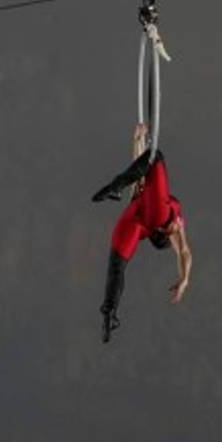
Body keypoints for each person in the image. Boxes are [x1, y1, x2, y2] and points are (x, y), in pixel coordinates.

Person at [91, 122, 192, 343]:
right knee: (116, 267)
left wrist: (184, 280)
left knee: (156, 156)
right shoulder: (147, 219)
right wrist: (137, 140)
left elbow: (183, 251)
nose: (179, 228)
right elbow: (139, 167)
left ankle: (115, 186)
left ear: (166, 233)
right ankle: (109, 314)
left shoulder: (170, 219)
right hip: (133, 221)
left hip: (147, 214)